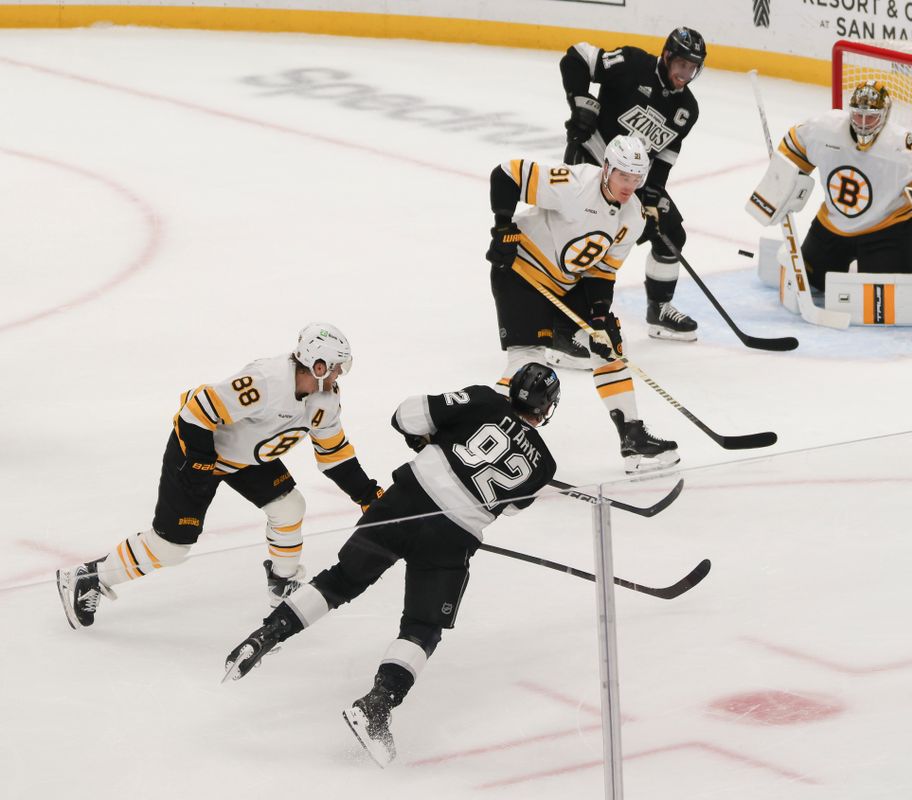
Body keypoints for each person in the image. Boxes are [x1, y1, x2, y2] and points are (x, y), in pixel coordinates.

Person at [223, 363, 562, 768]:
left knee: (341, 580)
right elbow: (508, 510)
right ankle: (376, 706)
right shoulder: (545, 464)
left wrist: (431, 438)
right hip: (451, 539)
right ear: (546, 407)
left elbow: (405, 415)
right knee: (423, 627)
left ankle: (264, 636)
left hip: (402, 504)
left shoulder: (484, 399)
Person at [55, 323, 384, 630]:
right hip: (200, 450)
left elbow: (334, 454)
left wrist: (367, 495)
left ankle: (283, 583)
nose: (340, 373)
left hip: (248, 457)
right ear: (317, 365)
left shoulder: (326, 399)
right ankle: (89, 577)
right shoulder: (266, 381)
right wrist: (199, 463)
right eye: (337, 365)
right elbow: (195, 412)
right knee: (171, 548)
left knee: (289, 508)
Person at [485, 134, 680, 474]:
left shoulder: (632, 216)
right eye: (623, 176)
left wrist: (599, 316)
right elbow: (506, 174)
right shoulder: (573, 183)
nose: (629, 186)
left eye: (637, 179)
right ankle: (487, 439)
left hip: (567, 283)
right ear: (607, 169)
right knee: (528, 361)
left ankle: (632, 437)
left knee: (608, 344)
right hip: (522, 274)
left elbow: (602, 271)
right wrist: (503, 227)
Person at [746, 80, 912, 328]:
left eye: (871, 117)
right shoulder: (825, 128)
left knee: (884, 298)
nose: (863, 123)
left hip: (887, 231)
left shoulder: (901, 145)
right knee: (815, 281)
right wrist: (784, 180)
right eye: (858, 116)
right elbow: (794, 144)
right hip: (833, 226)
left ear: (885, 115)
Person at [548, 25, 707, 365]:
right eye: (680, 64)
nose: (684, 74)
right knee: (582, 244)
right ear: (666, 56)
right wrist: (580, 101)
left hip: (630, 181)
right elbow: (576, 57)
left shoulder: (687, 109)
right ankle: (559, 328)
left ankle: (659, 309)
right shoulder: (632, 63)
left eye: (691, 68)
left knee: (671, 234)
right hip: (593, 163)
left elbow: (664, 158)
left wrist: (651, 198)